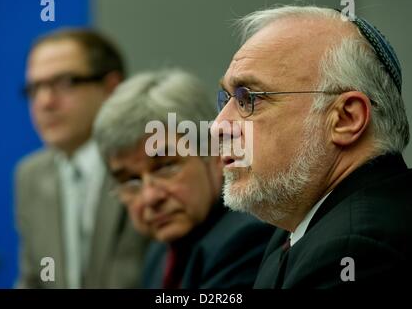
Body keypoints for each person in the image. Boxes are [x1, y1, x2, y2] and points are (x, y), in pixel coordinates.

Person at [211, 5, 412, 288]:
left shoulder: (357, 249)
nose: (217, 126)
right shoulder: (301, 226)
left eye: (248, 99)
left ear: (346, 118)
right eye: (226, 99)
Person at [93, 69, 274, 288]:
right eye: (130, 180)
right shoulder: (158, 252)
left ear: (215, 154)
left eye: (166, 166)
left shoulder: (245, 238)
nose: (150, 197)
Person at [15, 28, 149, 288]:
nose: (44, 102)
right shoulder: (29, 175)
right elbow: (33, 281)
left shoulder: (149, 164)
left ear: (112, 88)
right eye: (34, 88)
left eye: (65, 83)